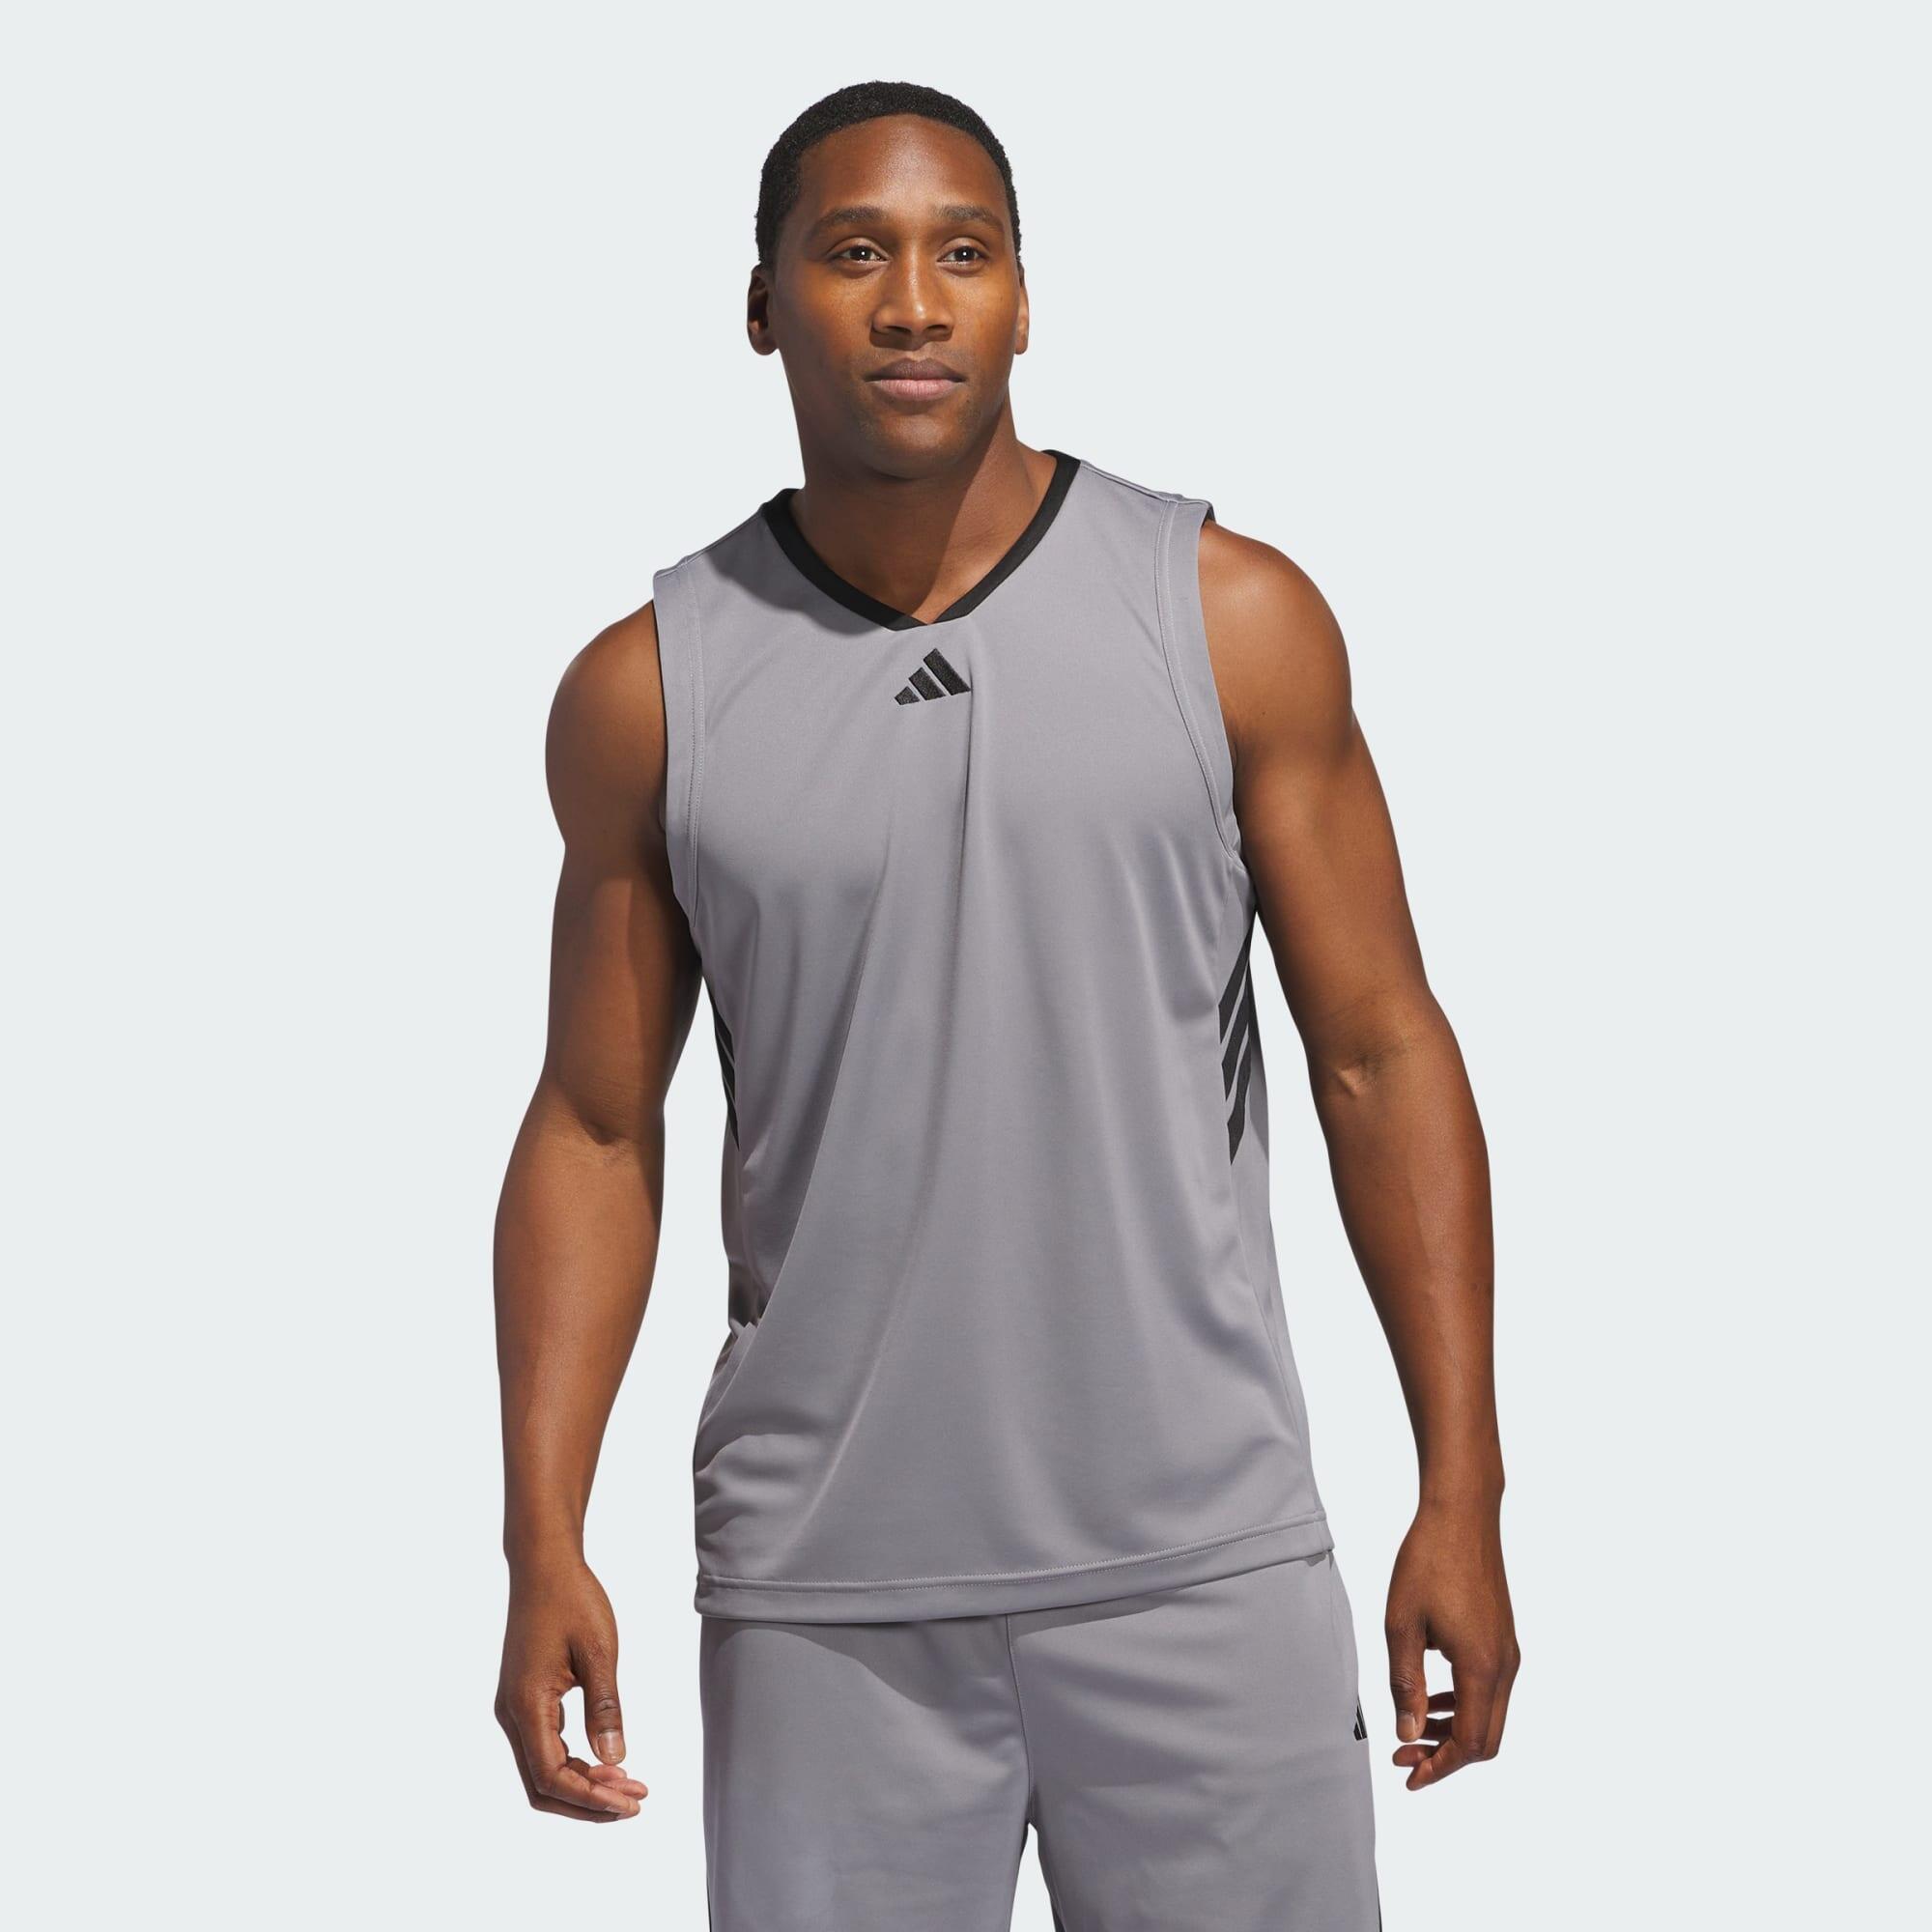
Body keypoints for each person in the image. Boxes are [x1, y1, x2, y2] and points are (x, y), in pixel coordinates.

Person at [493, 78, 1518, 1931]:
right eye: (854, 254)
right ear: (763, 305)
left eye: (962, 253)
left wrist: (1466, 1487)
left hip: (1202, 1565)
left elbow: (1379, 1053)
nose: (912, 304)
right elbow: (595, 1124)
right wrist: (540, 1539)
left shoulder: (1229, 617)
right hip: (827, 1598)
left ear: (1024, 300)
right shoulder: (649, 691)